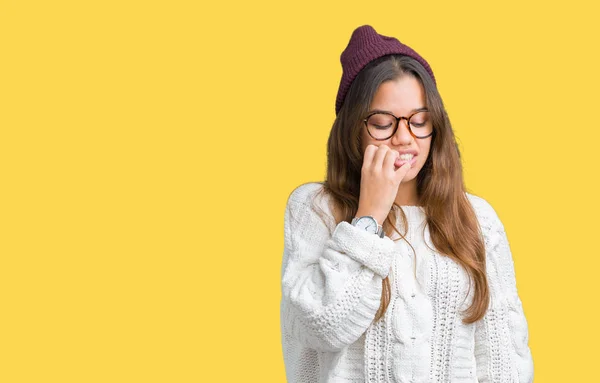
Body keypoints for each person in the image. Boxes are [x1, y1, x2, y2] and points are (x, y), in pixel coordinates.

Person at [280, 25, 534, 383]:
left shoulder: (476, 219)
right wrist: (369, 216)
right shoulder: (315, 209)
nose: (404, 139)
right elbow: (322, 326)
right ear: (354, 128)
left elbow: (503, 358)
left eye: (419, 122)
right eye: (383, 123)